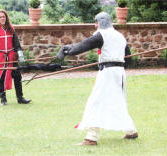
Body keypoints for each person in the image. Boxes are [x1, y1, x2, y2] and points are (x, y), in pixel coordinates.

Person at [57, 12, 138, 146]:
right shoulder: (120, 36)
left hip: (108, 73)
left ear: (102, 22)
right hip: (119, 72)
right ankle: (131, 131)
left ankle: (91, 137)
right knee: (118, 101)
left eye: (96, 22)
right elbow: (128, 59)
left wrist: (67, 50)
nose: (95, 25)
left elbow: (84, 45)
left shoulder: (101, 34)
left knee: (95, 102)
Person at [0, 9, 31, 106]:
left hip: (11, 56)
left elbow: (16, 43)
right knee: (1, 78)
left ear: (6, 18)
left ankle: (20, 98)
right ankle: (3, 99)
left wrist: (20, 55)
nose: (2, 18)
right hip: (0, 57)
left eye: (4, 17)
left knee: (17, 76)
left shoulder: (11, 28)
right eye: (0, 17)